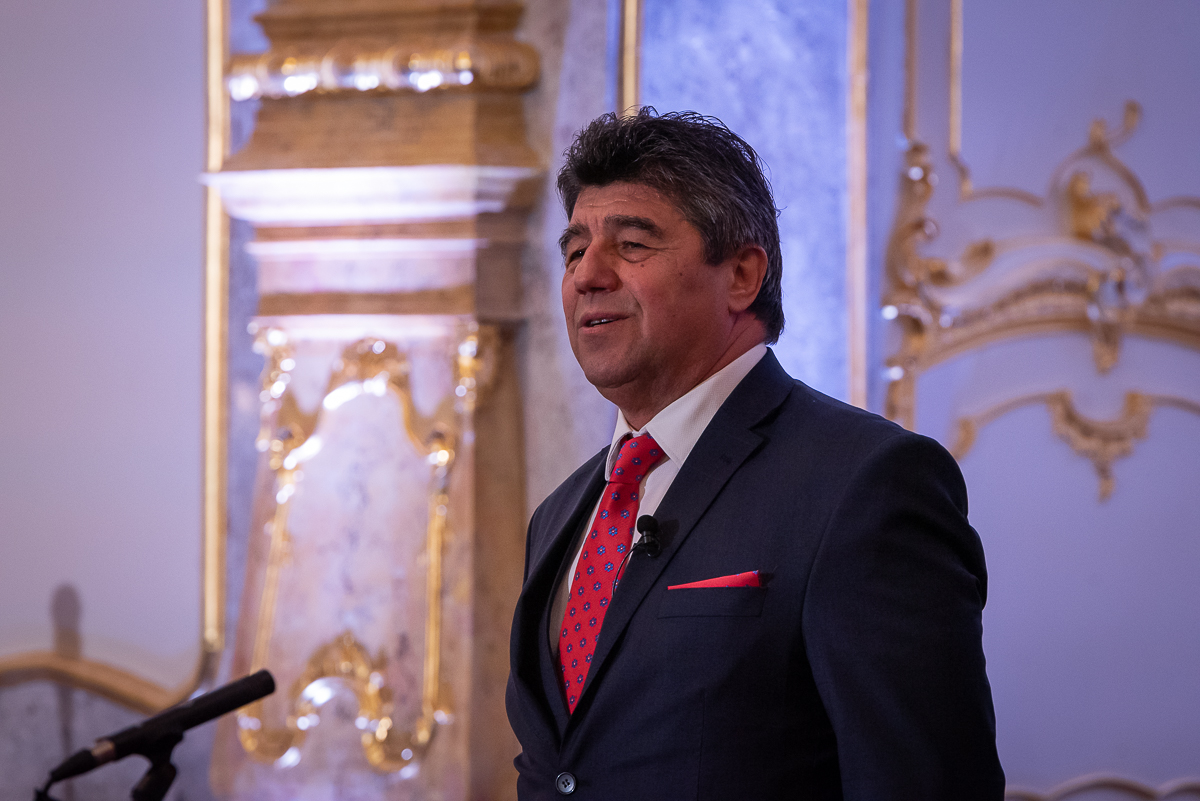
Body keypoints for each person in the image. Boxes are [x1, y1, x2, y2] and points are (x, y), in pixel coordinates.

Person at [505, 108, 1004, 800]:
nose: (587, 274)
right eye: (574, 251)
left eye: (632, 244)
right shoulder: (561, 514)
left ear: (741, 274)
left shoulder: (865, 484)